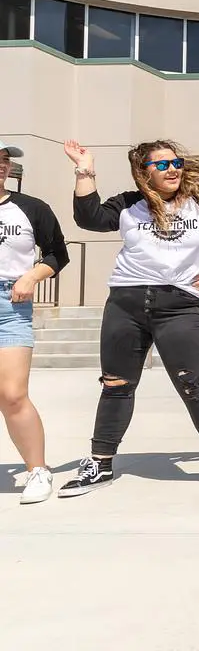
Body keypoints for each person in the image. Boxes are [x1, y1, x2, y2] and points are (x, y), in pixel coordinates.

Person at [57, 139, 199, 497]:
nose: (173, 170)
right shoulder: (128, 204)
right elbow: (88, 218)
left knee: (194, 385)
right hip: (125, 304)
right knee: (116, 385)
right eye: (163, 165)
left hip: (179, 306)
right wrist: (84, 169)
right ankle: (100, 463)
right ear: (144, 172)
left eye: (176, 162)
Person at [0, 141, 70, 504]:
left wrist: (30, 277)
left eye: (5, 160)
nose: (1, 165)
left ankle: (38, 471)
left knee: (12, 394)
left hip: (9, 303)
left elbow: (59, 254)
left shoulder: (31, 208)